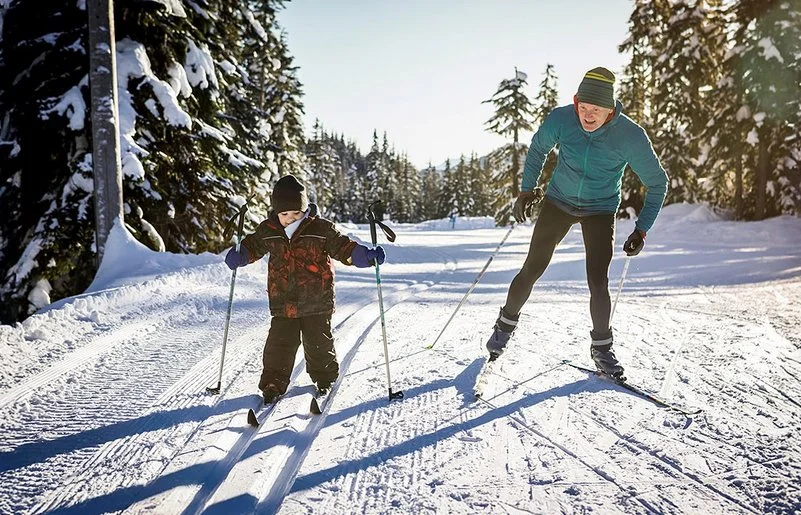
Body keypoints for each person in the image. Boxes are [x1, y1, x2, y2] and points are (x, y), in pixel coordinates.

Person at [485, 67, 668, 379]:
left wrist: (642, 228)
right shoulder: (562, 119)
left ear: (611, 108)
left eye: (595, 110)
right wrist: (526, 191)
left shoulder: (630, 136)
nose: (587, 115)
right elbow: (538, 148)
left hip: (600, 209)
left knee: (598, 280)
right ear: (576, 103)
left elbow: (658, 182)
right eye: (583, 107)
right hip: (558, 202)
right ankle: (505, 325)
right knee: (533, 268)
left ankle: (602, 348)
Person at [224, 174, 386, 403]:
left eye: (296, 213)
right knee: (278, 346)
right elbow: (253, 246)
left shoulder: (320, 229)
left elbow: (343, 247)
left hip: (316, 301)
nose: (290, 219)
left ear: (305, 210)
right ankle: (273, 381)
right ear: (276, 213)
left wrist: (364, 256)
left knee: (319, 344)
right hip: (283, 302)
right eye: (285, 214)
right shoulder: (268, 230)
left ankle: (325, 378)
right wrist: (241, 255)